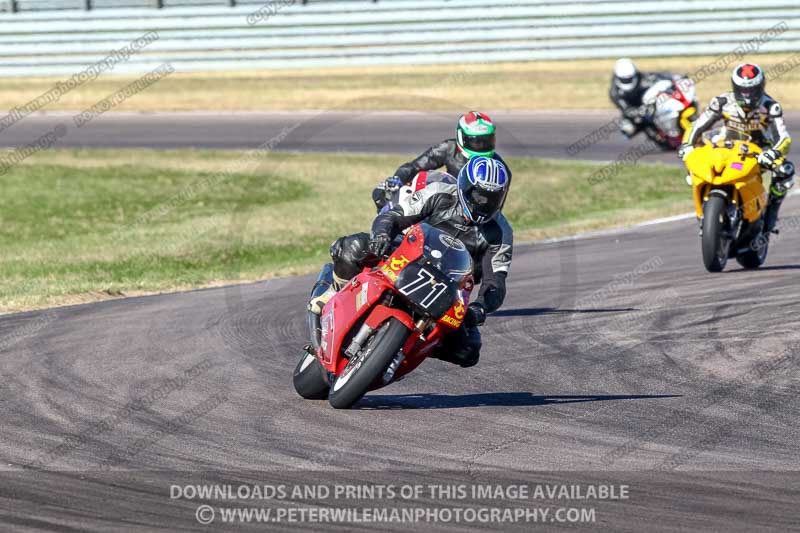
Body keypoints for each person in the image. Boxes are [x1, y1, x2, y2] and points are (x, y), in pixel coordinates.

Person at [311, 157, 513, 368]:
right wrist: (382, 235)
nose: (483, 203)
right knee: (353, 247)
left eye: (491, 198)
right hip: (407, 253)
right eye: (478, 195)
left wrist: (481, 307)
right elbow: (394, 215)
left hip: (449, 287)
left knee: (468, 351)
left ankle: (403, 349)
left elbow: (496, 283)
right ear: (464, 186)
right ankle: (330, 293)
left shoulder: (501, 232)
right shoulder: (439, 192)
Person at [679, 63, 794, 233]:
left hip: (759, 153)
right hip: (726, 148)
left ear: (761, 87)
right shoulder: (722, 102)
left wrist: (773, 153)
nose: (747, 96)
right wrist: (687, 145)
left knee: (785, 171)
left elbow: (784, 138)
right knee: (696, 159)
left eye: (752, 90)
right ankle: (704, 208)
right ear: (735, 87)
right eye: (743, 90)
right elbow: (697, 125)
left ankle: (770, 214)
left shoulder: (771, 107)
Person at [372, 111, 512, 212]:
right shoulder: (448, 148)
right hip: (446, 202)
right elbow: (414, 166)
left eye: (487, 141)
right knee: (383, 195)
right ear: (461, 137)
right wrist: (398, 179)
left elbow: (496, 209)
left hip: (474, 212)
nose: (482, 146)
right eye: (476, 141)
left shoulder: (499, 168)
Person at [610, 58, 690, 139]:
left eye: (629, 79)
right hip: (636, 109)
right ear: (617, 77)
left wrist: (675, 77)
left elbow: (660, 75)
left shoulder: (643, 78)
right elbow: (626, 110)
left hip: (650, 101)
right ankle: (657, 134)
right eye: (624, 79)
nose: (627, 81)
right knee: (628, 128)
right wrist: (639, 111)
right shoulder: (614, 93)